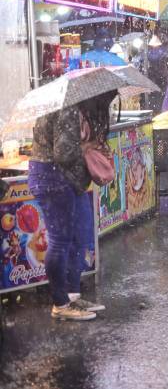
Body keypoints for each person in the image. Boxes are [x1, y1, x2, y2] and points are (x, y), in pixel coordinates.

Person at [29, 91, 117, 321]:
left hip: (70, 180)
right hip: (52, 178)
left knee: (80, 236)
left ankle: (72, 294)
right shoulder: (66, 106)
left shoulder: (79, 107)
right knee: (60, 240)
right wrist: (87, 147)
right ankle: (60, 303)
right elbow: (63, 152)